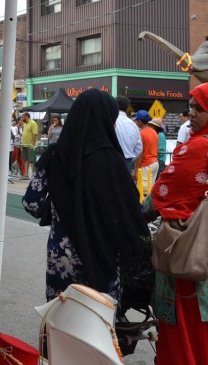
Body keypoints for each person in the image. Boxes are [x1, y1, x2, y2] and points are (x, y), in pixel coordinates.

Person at [22, 88, 150, 307]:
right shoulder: (114, 163)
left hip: (63, 256)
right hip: (105, 257)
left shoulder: (54, 156)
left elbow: (31, 203)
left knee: (61, 318)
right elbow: (131, 214)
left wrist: (59, 208)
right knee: (99, 322)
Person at [150, 81, 208, 365]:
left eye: (199, 108)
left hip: (197, 254)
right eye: (190, 106)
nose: (191, 113)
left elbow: (159, 195)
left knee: (192, 332)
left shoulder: (200, 148)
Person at [114, 96, 143, 175]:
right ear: (127, 108)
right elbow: (139, 148)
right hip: (127, 162)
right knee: (125, 186)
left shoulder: (111, 121)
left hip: (112, 160)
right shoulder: (133, 125)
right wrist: (130, 159)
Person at [133, 109, 158, 195]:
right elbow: (157, 149)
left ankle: (143, 208)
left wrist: (136, 170)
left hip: (146, 164)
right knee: (150, 190)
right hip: (155, 163)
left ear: (140, 121)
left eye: (136, 120)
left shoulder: (141, 134)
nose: (136, 122)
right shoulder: (154, 132)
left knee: (143, 192)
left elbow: (140, 153)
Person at [20, 112, 39, 179]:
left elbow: (35, 134)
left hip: (30, 145)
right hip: (24, 145)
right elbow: (24, 134)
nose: (21, 118)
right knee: (25, 160)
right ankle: (26, 175)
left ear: (26, 116)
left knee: (31, 160)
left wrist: (32, 145)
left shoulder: (33, 123)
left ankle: (33, 175)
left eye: (22, 116)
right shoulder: (25, 124)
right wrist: (21, 144)